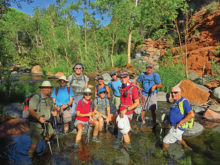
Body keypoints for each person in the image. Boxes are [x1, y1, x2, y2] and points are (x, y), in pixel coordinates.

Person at [162, 86, 195, 152]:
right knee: (179, 138)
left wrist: (179, 123)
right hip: (175, 126)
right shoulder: (176, 101)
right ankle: (186, 147)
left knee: (165, 141)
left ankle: (163, 153)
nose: (173, 94)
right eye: (172, 92)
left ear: (180, 93)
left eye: (175, 92)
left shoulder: (184, 102)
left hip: (178, 127)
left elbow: (191, 114)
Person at [28, 81, 55, 157]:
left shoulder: (49, 98)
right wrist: (39, 117)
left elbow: (52, 109)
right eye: (45, 87)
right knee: (34, 144)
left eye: (48, 88)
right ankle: (30, 158)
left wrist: (54, 111)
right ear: (42, 88)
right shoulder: (36, 97)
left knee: (51, 133)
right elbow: (31, 110)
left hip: (47, 122)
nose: (47, 89)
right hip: (36, 124)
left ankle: (45, 139)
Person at [118, 72, 140, 149]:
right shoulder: (122, 86)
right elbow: (123, 101)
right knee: (125, 129)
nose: (123, 79)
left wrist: (126, 110)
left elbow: (137, 103)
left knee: (124, 132)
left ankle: (128, 149)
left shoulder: (133, 88)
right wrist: (119, 109)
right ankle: (130, 134)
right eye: (121, 78)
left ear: (128, 78)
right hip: (121, 111)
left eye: (125, 77)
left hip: (127, 112)